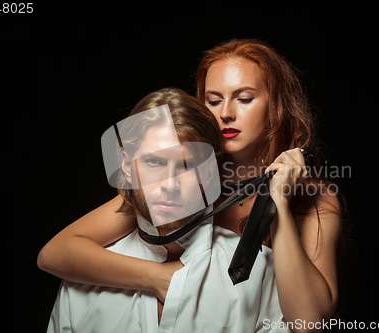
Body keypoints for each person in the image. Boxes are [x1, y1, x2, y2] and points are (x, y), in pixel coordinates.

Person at [38, 39, 344, 332]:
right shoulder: (179, 186)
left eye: (245, 99)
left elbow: (308, 321)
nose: (225, 113)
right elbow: (56, 253)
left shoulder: (314, 198)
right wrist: (155, 276)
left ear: (275, 107)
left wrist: (277, 200)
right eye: (213, 100)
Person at [44, 88, 291, 332]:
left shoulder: (260, 272)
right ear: (126, 166)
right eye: (154, 162)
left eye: (187, 165)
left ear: (208, 170)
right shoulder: (81, 283)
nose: (170, 184)